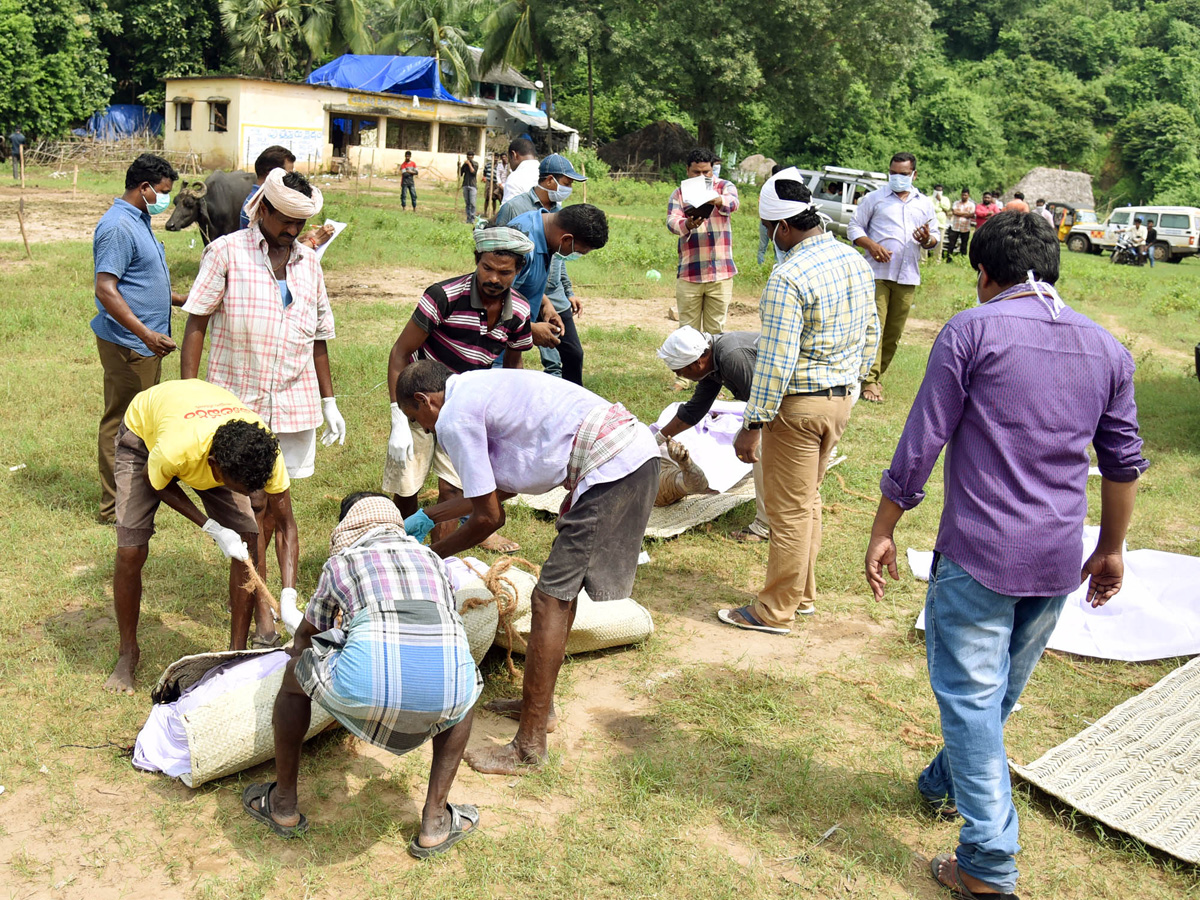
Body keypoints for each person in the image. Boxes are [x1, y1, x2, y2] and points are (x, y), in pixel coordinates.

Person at [865, 211, 1148, 899]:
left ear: (984, 274)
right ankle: (941, 783)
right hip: (1056, 558)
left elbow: (923, 438)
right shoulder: (1108, 349)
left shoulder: (972, 328)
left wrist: (884, 525)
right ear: (1053, 269)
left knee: (970, 700)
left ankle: (988, 862)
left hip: (981, 554)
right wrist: (1110, 549)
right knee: (997, 696)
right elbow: (1122, 464)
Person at [395, 361, 659, 775]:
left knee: (549, 600)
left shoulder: (454, 417)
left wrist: (432, 555)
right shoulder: (476, 388)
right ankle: (540, 706)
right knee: (556, 596)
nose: (425, 430)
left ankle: (529, 748)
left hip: (611, 467)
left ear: (425, 400)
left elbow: (489, 519)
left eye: (418, 420)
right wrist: (431, 513)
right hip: (631, 452)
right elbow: (497, 492)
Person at [242, 493, 482, 853]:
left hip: (366, 686)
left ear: (347, 529)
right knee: (464, 691)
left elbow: (307, 636)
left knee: (295, 675)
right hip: (444, 693)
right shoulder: (433, 559)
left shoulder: (342, 563)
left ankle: (283, 804)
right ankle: (435, 822)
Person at [181, 168, 343, 631]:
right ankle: (262, 610)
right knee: (250, 512)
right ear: (263, 209)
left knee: (277, 506)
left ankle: (270, 603)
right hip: (238, 403)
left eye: (300, 222)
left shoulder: (308, 263)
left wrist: (329, 401)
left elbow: (319, 337)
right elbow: (197, 323)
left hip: (294, 402)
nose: (292, 231)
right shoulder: (226, 253)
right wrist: (189, 394)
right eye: (285, 221)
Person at [721, 169, 877, 633]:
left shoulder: (788, 277)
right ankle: (802, 595)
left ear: (783, 228)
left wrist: (753, 421)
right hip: (838, 401)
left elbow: (776, 360)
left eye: (769, 232)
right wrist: (850, 383)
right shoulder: (853, 260)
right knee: (807, 502)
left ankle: (774, 609)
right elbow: (871, 331)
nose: (770, 240)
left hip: (798, 408)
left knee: (788, 513)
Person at [106, 379, 292, 692]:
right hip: (143, 437)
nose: (253, 496)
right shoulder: (176, 448)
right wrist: (211, 526)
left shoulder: (261, 452)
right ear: (214, 467)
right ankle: (128, 653)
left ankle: (233, 656)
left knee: (247, 540)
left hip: (207, 437)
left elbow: (287, 525)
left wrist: (288, 595)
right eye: (243, 488)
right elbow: (155, 482)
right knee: (131, 549)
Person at [385, 227, 535, 553]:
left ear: (518, 271)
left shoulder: (520, 312)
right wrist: (399, 417)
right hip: (424, 401)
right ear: (477, 261)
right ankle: (398, 551)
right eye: (487, 268)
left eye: (504, 272)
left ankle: (439, 563)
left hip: (469, 410)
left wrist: (510, 419)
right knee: (407, 485)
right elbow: (400, 351)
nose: (494, 278)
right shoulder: (444, 296)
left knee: (453, 489)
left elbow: (513, 369)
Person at [92, 153, 186, 524]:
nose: (165, 199)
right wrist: (145, 333)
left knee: (141, 422)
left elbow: (140, 278)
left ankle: (135, 496)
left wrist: (179, 299)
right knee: (123, 423)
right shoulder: (117, 226)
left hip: (145, 343)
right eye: (162, 192)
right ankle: (114, 508)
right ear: (144, 187)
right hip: (131, 344)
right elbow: (106, 288)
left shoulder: (140, 219)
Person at [654, 326, 772, 542]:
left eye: (679, 371)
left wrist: (752, 430)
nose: (679, 376)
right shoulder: (712, 362)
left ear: (697, 363)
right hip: (778, 404)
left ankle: (764, 527)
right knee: (744, 441)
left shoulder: (731, 357)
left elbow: (763, 400)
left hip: (795, 402)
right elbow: (693, 411)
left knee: (761, 450)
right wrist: (657, 439)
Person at [848, 152, 938, 404]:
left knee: (894, 332)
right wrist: (871, 245)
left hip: (907, 275)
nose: (898, 178)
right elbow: (854, 227)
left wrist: (926, 240)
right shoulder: (875, 198)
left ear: (914, 174)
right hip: (877, 274)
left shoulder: (924, 203)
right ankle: (868, 380)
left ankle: (875, 377)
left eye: (904, 174)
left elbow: (935, 237)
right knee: (874, 327)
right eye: (894, 173)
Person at [495, 153, 589, 383]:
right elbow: (497, 256)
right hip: (521, 290)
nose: (569, 189)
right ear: (549, 181)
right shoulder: (514, 209)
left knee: (572, 352)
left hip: (551, 293)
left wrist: (568, 292)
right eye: (566, 183)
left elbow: (559, 256)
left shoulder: (560, 212)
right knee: (510, 346)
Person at [505, 202, 608, 386]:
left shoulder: (545, 230)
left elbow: (521, 283)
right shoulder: (522, 245)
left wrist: (545, 304)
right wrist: (529, 329)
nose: (573, 255)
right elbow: (493, 300)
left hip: (510, 339)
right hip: (492, 344)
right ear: (566, 239)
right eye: (577, 251)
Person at [667, 148, 740, 356]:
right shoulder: (679, 193)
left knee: (715, 331)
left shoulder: (724, 186)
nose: (701, 177)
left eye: (706, 172)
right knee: (687, 331)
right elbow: (672, 222)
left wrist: (716, 199)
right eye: (696, 172)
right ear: (687, 170)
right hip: (691, 271)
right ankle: (684, 378)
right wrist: (688, 224)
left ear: (712, 170)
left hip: (721, 271)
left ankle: (712, 379)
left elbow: (734, 203)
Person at [240, 146, 295, 229]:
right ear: (272, 172)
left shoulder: (254, 199)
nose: (291, 179)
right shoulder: (261, 205)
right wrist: (312, 241)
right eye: (288, 175)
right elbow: (267, 242)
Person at [757, 164, 787, 266]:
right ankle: (777, 265)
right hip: (776, 222)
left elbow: (760, 203)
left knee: (763, 246)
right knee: (777, 248)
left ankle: (761, 265)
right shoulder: (781, 188)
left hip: (766, 221)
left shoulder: (767, 187)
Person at [501, 137, 540, 205]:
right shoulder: (547, 174)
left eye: (509, 159)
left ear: (514, 155)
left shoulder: (515, 178)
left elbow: (507, 212)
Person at [943, 189, 975, 261]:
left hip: (965, 227)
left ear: (968, 196)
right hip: (955, 227)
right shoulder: (956, 203)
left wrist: (960, 213)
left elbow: (971, 215)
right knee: (951, 244)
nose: (964, 196)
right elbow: (955, 212)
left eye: (965, 195)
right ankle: (949, 258)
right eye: (963, 195)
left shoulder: (971, 204)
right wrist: (966, 213)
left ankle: (962, 259)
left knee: (964, 244)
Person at [930, 184, 951, 258]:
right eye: (937, 190)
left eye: (940, 190)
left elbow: (947, 208)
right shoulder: (929, 198)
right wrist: (940, 209)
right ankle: (923, 260)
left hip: (941, 224)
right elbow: (931, 208)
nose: (938, 192)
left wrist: (940, 200)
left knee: (940, 242)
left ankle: (937, 259)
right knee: (926, 240)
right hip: (930, 224)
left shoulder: (945, 199)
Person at [461, 150, 478, 222]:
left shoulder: (475, 164)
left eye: (471, 156)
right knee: (467, 203)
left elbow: (473, 172)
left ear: (473, 157)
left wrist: (469, 164)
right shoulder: (465, 164)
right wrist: (459, 166)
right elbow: (460, 173)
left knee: (472, 203)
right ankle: (468, 218)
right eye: (468, 156)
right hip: (465, 184)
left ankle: (472, 218)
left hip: (472, 185)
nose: (469, 157)